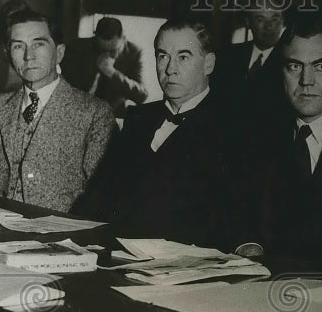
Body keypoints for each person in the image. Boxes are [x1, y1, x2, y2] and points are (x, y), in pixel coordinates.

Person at [75, 17, 248, 250]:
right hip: (116, 255)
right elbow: (99, 194)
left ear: (208, 64)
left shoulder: (235, 128)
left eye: (183, 57)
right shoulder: (138, 119)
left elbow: (238, 219)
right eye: (162, 56)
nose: (170, 69)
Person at [0, 8, 115, 212]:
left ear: (59, 52)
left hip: (58, 238)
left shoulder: (95, 113)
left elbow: (99, 197)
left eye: (39, 44)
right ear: (8, 54)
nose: (29, 56)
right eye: (18, 46)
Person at [245, 11, 322, 274]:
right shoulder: (258, 137)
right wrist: (247, 244)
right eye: (295, 66)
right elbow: (240, 217)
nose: (306, 80)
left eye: (321, 66)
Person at [210, 0, 287, 126]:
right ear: (248, 22)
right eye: (260, 19)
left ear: (282, 21)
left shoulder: (289, 61)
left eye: (275, 19)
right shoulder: (226, 56)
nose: (269, 26)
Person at [60, 16, 149, 118]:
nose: (106, 56)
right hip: (76, 113)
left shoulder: (134, 53)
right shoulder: (76, 48)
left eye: (113, 51)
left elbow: (142, 95)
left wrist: (112, 72)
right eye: (101, 50)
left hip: (112, 117)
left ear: (123, 38)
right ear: (95, 38)